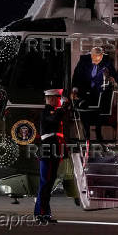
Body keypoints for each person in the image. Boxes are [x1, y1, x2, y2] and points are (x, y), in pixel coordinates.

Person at [71, 46, 118, 142]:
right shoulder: (84, 60)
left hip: (97, 89)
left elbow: (115, 74)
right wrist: (75, 89)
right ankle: (87, 135)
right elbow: (76, 74)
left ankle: (98, 133)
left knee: (98, 111)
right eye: (94, 60)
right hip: (84, 88)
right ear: (91, 55)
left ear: (102, 56)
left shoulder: (106, 60)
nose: (96, 62)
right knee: (85, 112)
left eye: (98, 60)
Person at [34, 89, 69, 223]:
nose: (59, 100)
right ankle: (40, 214)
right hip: (48, 151)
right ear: (51, 99)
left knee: (48, 184)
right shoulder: (47, 112)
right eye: (58, 98)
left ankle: (45, 214)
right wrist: (64, 106)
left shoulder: (55, 111)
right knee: (45, 183)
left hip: (54, 151)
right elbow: (55, 119)